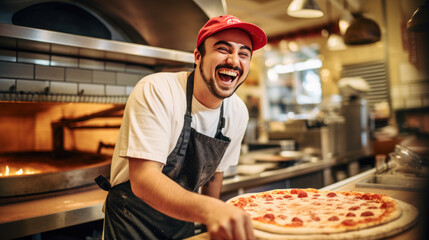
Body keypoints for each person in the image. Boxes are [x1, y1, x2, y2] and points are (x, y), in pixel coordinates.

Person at [96, 15, 267, 240]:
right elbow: (144, 181)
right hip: (131, 222)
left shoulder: (238, 111)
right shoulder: (157, 90)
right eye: (223, 49)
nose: (234, 61)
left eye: (244, 53)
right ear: (198, 56)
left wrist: (210, 227)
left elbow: (215, 176)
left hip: (181, 220)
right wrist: (210, 210)